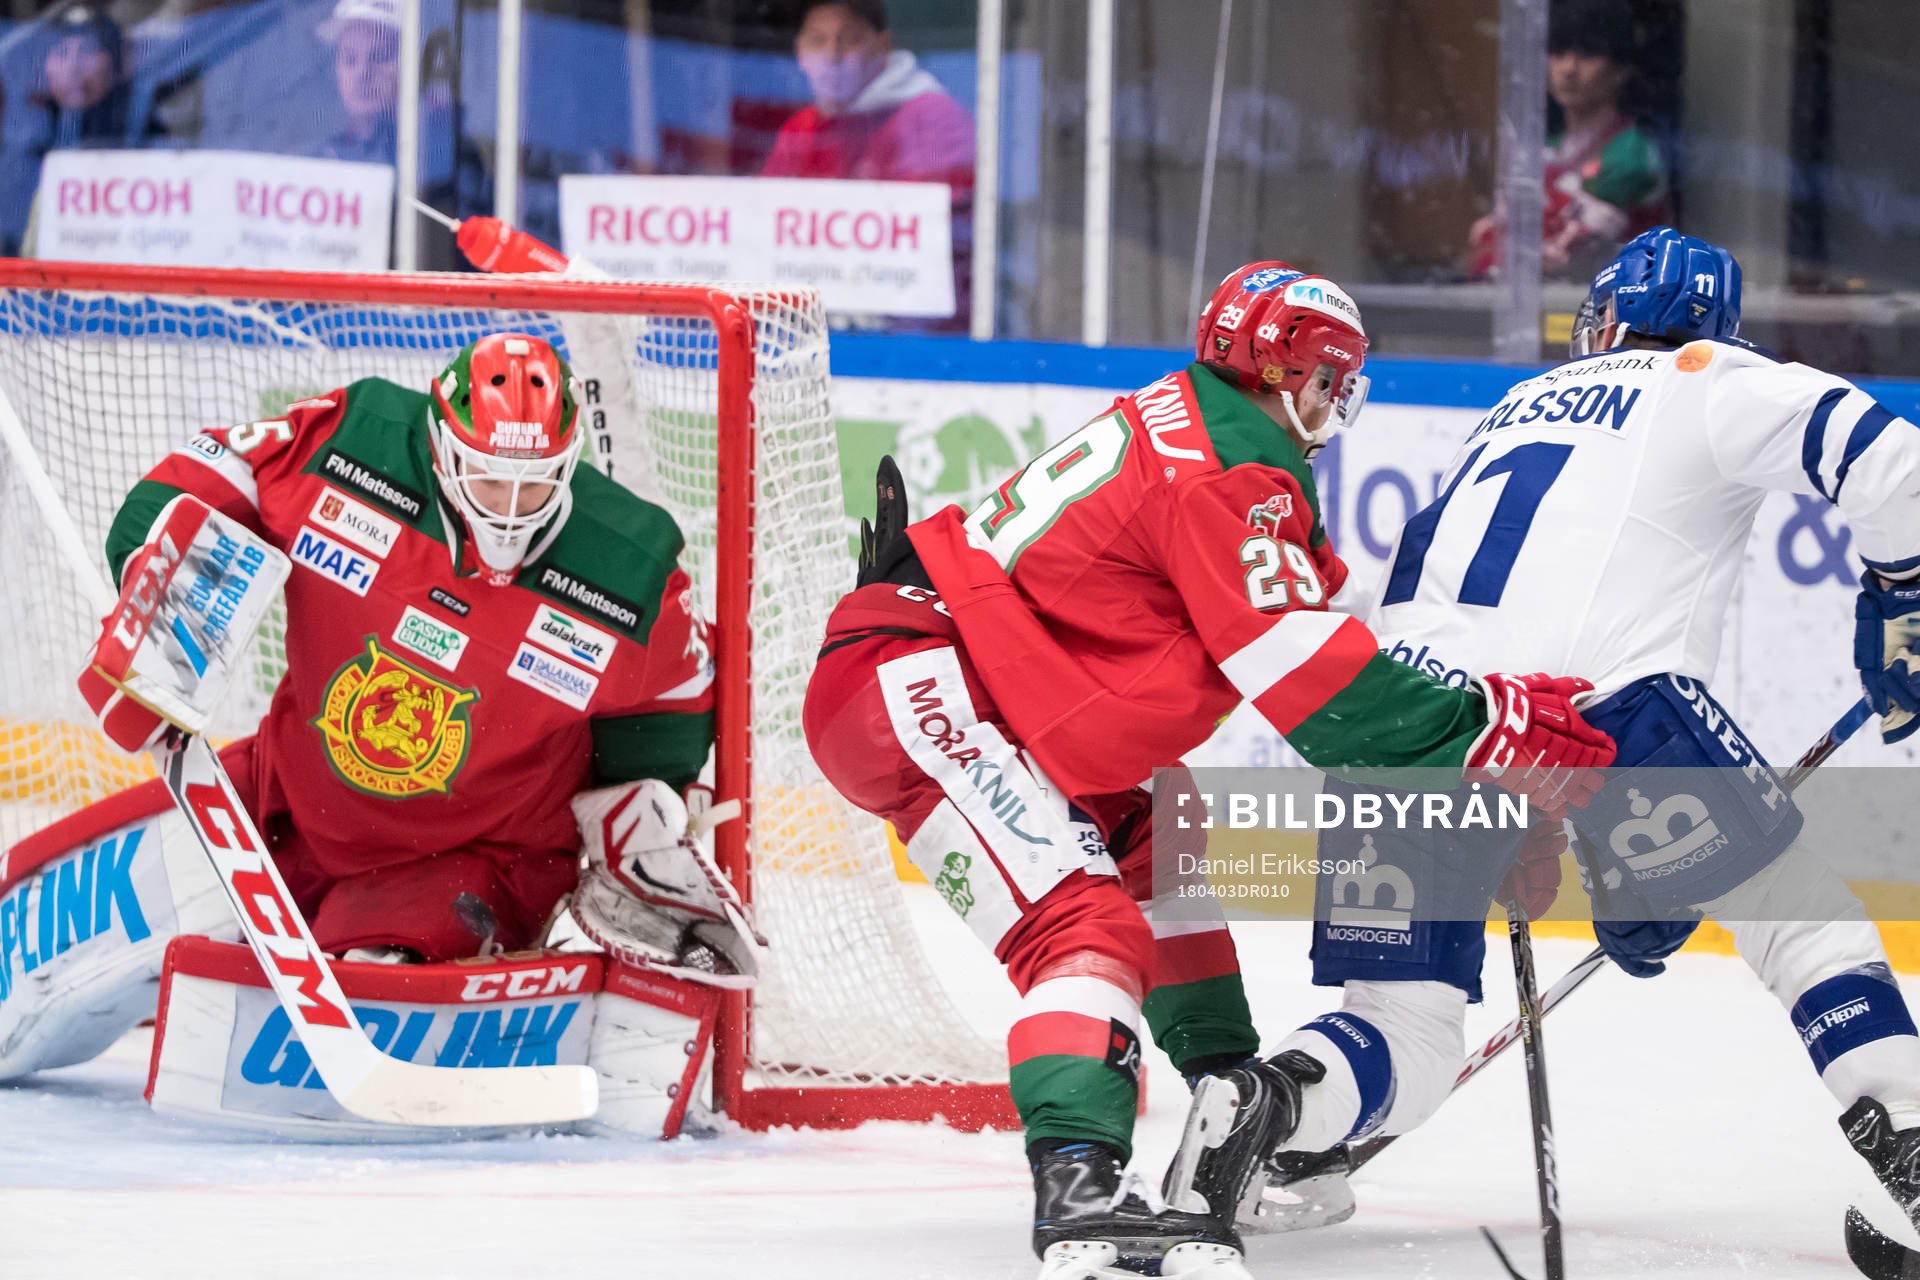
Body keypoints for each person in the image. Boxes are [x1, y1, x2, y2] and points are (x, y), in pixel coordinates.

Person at [803, 261, 1616, 1278]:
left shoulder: (1201, 426)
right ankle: (1080, 1189)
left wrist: (1463, 743)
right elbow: (1320, 694)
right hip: (934, 685)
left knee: (1163, 850)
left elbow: (1312, 633)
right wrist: (1485, 729)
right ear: (1293, 374)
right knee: (1085, 931)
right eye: (1332, 381)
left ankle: (1231, 1109)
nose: (1336, 405)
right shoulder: (1232, 472)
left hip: (1001, 681)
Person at [1186, 228, 1920, 1241]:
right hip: (1607, 714)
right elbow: (1890, 458)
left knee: (1405, 1035)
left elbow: (1440, 591)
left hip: (1413, 729)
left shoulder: (1512, 406)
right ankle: (1911, 1132)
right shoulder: (1711, 375)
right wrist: (1904, 596)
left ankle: (1270, 1106)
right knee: (1794, 915)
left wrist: (1513, 808)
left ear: (1611, 316)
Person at [0, 333, 724, 1083]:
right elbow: (209, 474)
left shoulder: (630, 570)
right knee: (79, 922)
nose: (508, 509)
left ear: (568, 466)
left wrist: (638, 815)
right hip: (286, 801)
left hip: (469, 859)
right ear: (441, 445)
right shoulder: (356, 445)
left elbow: (672, 709)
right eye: (487, 476)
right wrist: (154, 598)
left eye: (533, 484)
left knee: (375, 975)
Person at [761, 0, 975, 329]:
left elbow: (934, 247)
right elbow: (760, 234)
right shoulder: (801, 129)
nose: (832, 55)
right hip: (814, 330)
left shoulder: (935, 119)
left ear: (882, 47)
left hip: (916, 337)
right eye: (817, 41)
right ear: (800, 53)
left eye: (850, 40)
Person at [1469, 0, 1669, 280]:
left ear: (1621, 70)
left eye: (1588, 54)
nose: (1569, 68)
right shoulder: (1541, 152)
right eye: (1558, 52)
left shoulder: (1632, 152)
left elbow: (1567, 253)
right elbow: (1487, 244)